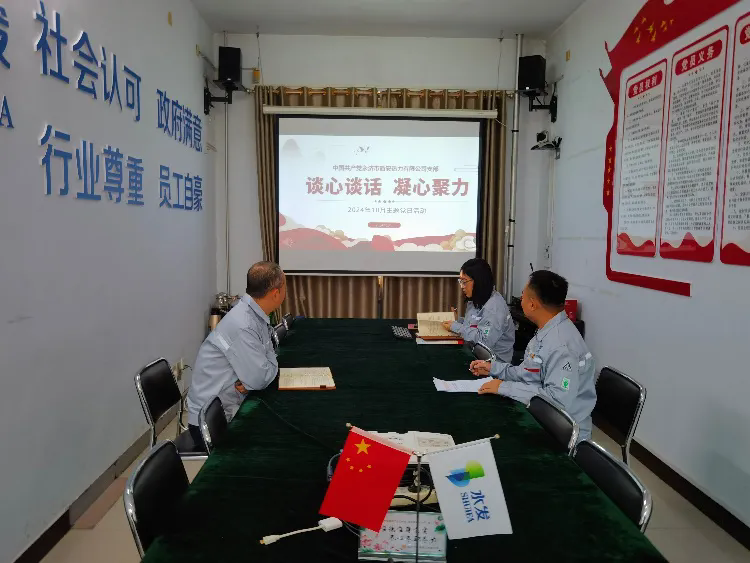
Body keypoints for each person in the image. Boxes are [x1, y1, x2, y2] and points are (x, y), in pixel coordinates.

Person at [470, 270, 596, 441]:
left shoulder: (562, 346)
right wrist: (494, 368)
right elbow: (527, 372)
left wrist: (505, 387)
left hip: (562, 435)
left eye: (523, 295)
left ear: (532, 304)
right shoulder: (547, 330)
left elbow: (556, 401)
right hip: (539, 417)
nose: (520, 299)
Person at [186, 261, 286, 445]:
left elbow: (267, 361)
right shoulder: (243, 324)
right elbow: (261, 378)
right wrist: (257, 376)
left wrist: (258, 374)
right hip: (211, 423)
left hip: (228, 406)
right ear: (275, 293)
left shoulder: (253, 314)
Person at [441, 258, 515, 363]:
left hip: (493, 365)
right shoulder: (479, 298)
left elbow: (484, 341)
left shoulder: (494, 307)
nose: (462, 286)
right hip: (474, 356)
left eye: (464, 282)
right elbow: (475, 325)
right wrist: (458, 321)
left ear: (479, 281)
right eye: (460, 281)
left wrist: (456, 327)